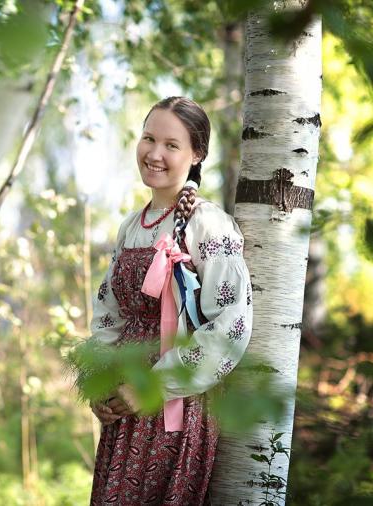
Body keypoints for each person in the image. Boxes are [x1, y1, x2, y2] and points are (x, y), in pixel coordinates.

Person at [87, 97, 253, 505]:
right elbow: (110, 312)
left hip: (171, 408)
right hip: (122, 405)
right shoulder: (132, 225)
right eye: (148, 139)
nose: (154, 153)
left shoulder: (207, 224)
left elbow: (231, 323)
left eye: (171, 145)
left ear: (196, 154)